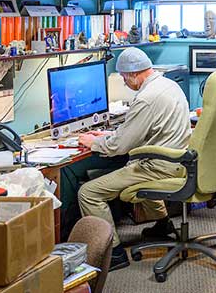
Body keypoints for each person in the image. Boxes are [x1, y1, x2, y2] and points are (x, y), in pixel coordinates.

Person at [77, 47, 191, 271]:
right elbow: (142, 131)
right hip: (178, 161)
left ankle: (113, 252)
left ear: (133, 74)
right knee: (135, 168)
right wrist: (110, 135)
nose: (124, 82)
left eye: (123, 78)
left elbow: (119, 147)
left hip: (158, 166)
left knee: (88, 193)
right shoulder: (169, 85)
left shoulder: (146, 98)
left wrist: (94, 142)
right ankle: (162, 225)